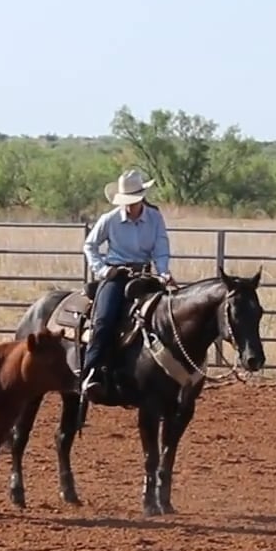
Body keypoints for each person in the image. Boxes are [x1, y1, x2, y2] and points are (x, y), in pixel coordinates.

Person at [79, 167, 173, 399]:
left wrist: (163, 272)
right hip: (117, 276)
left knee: (169, 315)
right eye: (126, 202)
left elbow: (161, 248)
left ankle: (170, 372)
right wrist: (103, 270)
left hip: (145, 276)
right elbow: (90, 245)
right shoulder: (110, 219)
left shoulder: (155, 218)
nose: (130, 206)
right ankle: (91, 373)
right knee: (104, 320)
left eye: (133, 201)